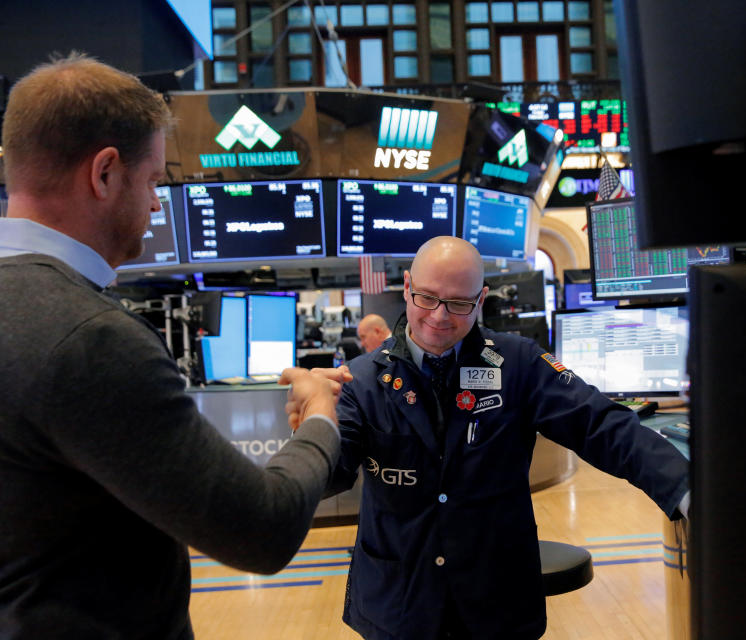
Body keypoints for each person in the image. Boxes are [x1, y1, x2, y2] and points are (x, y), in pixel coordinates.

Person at [0, 53, 346, 639]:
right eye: (155, 181)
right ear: (105, 173)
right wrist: (319, 416)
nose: (159, 204)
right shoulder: (91, 340)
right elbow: (261, 529)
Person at [291, 236, 690, 640]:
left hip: (497, 602)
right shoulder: (358, 380)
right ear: (407, 286)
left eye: (460, 303)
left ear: (481, 299)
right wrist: (314, 423)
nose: (440, 316)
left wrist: (686, 489)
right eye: (427, 298)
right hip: (399, 602)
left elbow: (599, 425)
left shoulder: (518, 364)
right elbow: (331, 474)